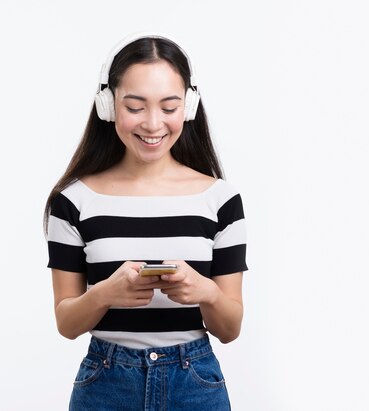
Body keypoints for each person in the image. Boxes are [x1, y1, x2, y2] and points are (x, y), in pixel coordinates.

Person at [43, 32, 248, 411]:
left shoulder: (221, 200)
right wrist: (104, 294)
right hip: (105, 384)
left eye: (169, 107)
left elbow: (230, 328)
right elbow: (67, 323)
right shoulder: (73, 202)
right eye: (135, 106)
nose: (153, 124)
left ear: (188, 107)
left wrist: (204, 292)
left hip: (196, 383)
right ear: (108, 105)